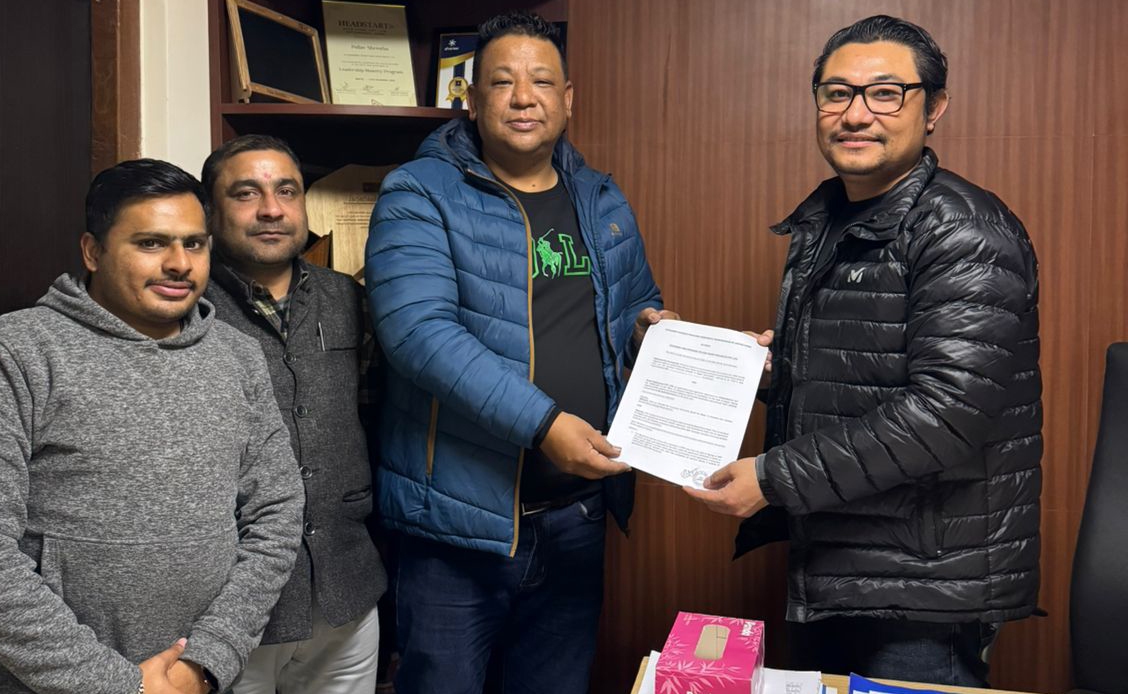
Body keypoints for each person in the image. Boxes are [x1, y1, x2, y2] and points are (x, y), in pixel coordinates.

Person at [686, 15, 1042, 687]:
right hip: (839, 564)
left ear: (934, 108)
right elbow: (862, 378)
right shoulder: (832, 219)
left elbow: (947, 415)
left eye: (885, 93)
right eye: (836, 93)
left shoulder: (962, 229)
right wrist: (750, 369)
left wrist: (771, 479)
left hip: (923, 590)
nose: (855, 114)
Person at [365, 10, 672, 694]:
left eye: (542, 81)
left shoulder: (600, 198)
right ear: (472, 101)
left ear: (569, 98)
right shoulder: (418, 193)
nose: (523, 97)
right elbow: (419, 334)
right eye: (502, 82)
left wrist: (657, 332)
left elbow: (634, 307)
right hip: (455, 531)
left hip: (576, 517)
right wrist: (545, 424)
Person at [0, 159, 304, 694]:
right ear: (92, 251)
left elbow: (277, 512)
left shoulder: (238, 356)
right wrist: (121, 686)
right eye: (151, 243)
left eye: (194, 244)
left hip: (196, 680)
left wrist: (207, 660)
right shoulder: (15, 351)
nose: (179, 264)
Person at [200, 135, 387, 694]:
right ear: (210, 211)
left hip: (345, 588)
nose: (271, 209)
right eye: (245, 194)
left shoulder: (347, 297)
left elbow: (374, 417)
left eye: (287, 191)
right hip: (228, 605)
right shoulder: (186, 306)